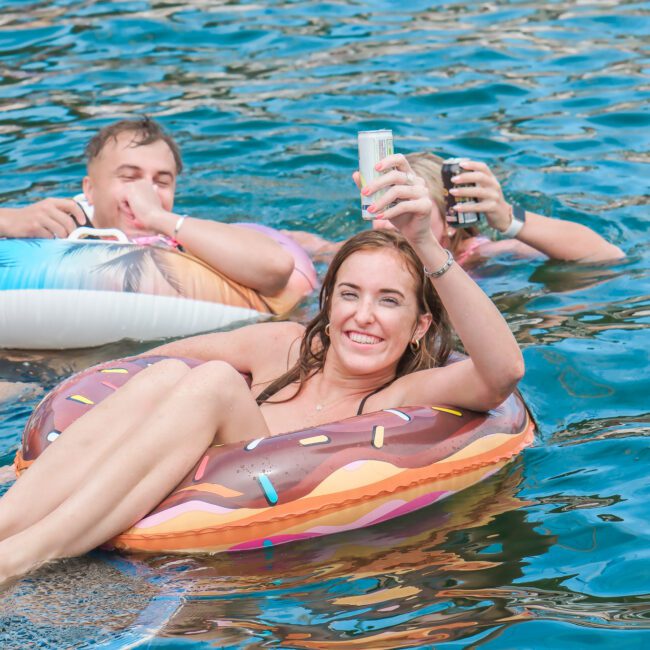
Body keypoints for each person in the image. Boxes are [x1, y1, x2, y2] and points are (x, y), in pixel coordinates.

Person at [0, 154, 524, 583]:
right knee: (162, 375)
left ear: (417, 325)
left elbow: (503, 371)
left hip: (249, 574)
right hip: (154, 491)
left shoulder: (401, 394)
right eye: (349, 295)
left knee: (215, 381)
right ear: (328, 306)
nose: (363, 316)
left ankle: (20, 558)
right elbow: (138, 368)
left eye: (389, 301)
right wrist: (47, 457)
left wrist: (426, 242)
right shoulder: (283, 346)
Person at [0, 117, 294, 297]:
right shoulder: (58, 224)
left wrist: (157, 217)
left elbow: (276, 267)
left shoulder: (175, 235)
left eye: (162, 182)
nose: (146, 191)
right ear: (89, 189)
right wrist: (8, 220)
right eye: (129, 177)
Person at [288, 152, 624, 264]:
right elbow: (301, 243)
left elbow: (603, 256)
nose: (391, 225)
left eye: (406, 212)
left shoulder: (478, 256)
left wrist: (507, 218)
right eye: (385, 210)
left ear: (450, 222)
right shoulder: (367, 251)